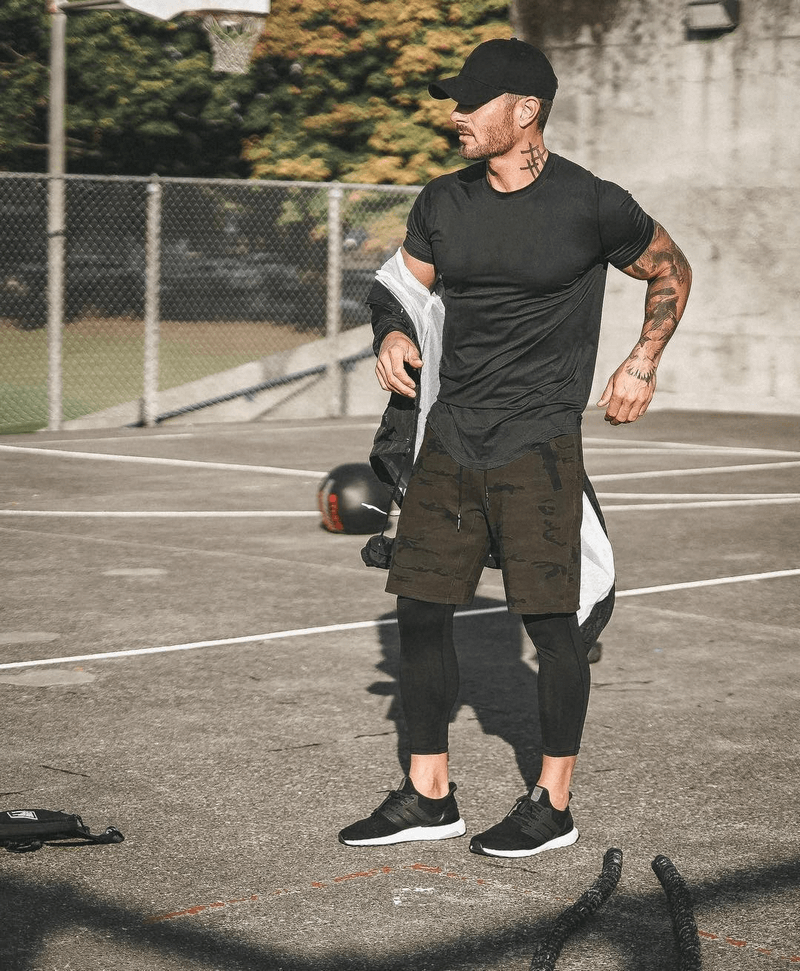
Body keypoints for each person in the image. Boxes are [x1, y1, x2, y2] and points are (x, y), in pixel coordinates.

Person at [338, 38, 691, 857]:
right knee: (421, 613)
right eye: (452, 101)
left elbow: (670, 269)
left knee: (554, 624)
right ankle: (430, 796)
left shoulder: (592, 204)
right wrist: (391, 334)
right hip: (450, 436)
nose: (454, 114)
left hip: (537, 440)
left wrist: (642, 360)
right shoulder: (442, 201)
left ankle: (552, 804)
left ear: (525, 110)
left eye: (471, 101)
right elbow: (399, 287)